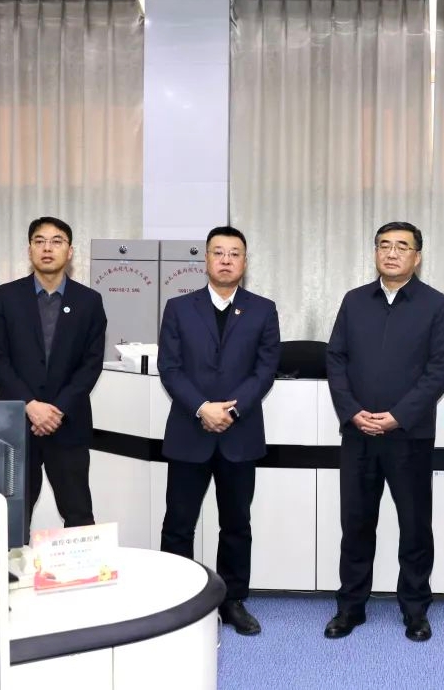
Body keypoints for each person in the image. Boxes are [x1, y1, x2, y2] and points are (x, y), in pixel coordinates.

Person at [324, 221, 444, 643]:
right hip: (359, 433)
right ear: (375, 252)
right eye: (384, 245)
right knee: (356, 524)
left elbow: (440, 369)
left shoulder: (436, 305)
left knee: (414, 526)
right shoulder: (354, 301)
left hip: (409, 436)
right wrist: (351, 411)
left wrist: (399, 415)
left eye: (402, 246)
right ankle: (350, 607)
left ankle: (415, 610)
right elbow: (335, 359)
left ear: (417, 256)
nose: (392, 252)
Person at [158, 226, 281, 637]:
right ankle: (176, 598)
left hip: (239, 434)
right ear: (206, 259)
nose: (226, 260)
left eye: (234, 253)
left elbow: (265, 369)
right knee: (179, 522)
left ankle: (233, 601)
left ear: (245, 261)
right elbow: (170, 367)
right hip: (189, 432)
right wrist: (201, 408)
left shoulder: (263, 310)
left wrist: (231, 408)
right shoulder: (179, 308)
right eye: (218, 252)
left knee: (236, 525)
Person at [0, 216, 107, 535]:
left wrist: (57, 409)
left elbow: (91, 363)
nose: (47, 248)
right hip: (17, 422)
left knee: (78, 512)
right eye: (39, 241)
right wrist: (30, 405)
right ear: (30, 250)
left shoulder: (89, 301)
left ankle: (81, 569)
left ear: (70, 251)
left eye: (56, 241)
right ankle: (10, 569)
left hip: (68, 423)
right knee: (12, 515)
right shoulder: (6, 296)